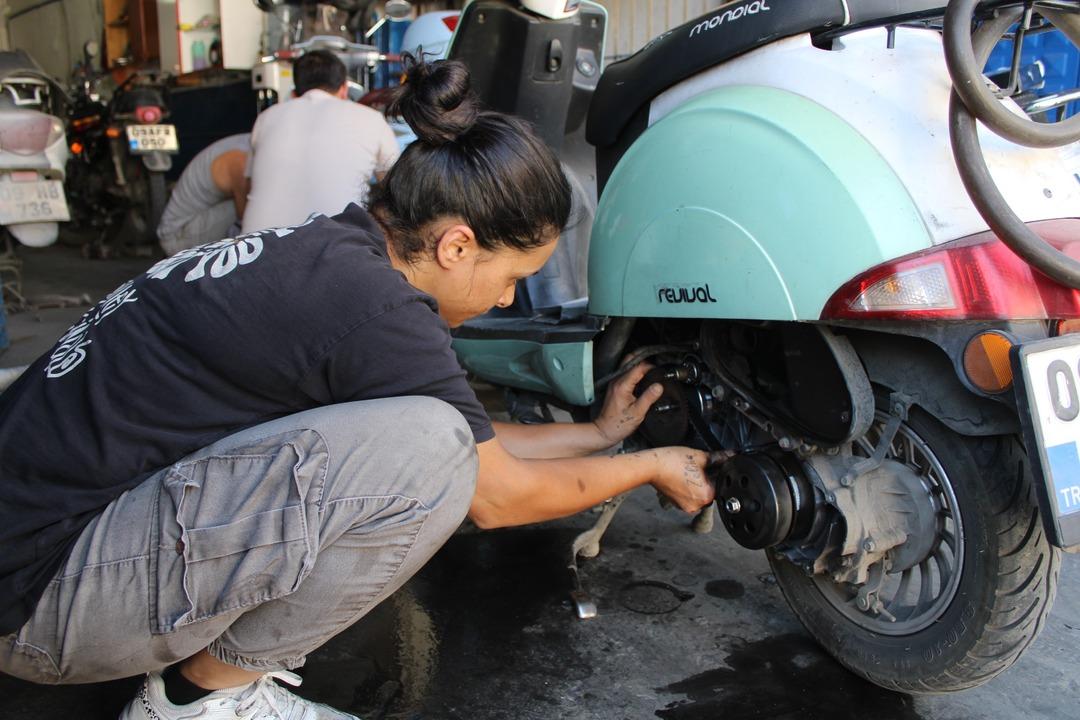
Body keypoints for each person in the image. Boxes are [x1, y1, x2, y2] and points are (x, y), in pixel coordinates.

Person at [0, 58, 713, 720]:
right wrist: (650, 465)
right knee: (430, 453)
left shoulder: (335, 251)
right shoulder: (376, 312)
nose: (505, 301)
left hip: (46, 554)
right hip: (45, 605)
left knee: (432, 440)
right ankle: (197, 700)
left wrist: (598, 435)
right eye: (510, 278)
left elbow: (474, 444)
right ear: (457, 246)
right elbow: (494, 492)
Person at [241, 49, 400, 234]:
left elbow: (248, 189)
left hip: (256, 251)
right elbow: (395, 192)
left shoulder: (265, 118)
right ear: (344, 90)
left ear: (294, 93)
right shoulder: (372, 119)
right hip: (334, 249)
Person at [156, 133, 251, 256]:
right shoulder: (242, 159)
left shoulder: (251, 143)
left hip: (198, 223)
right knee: (255, 209)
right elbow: (249, 221)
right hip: (177, 237)